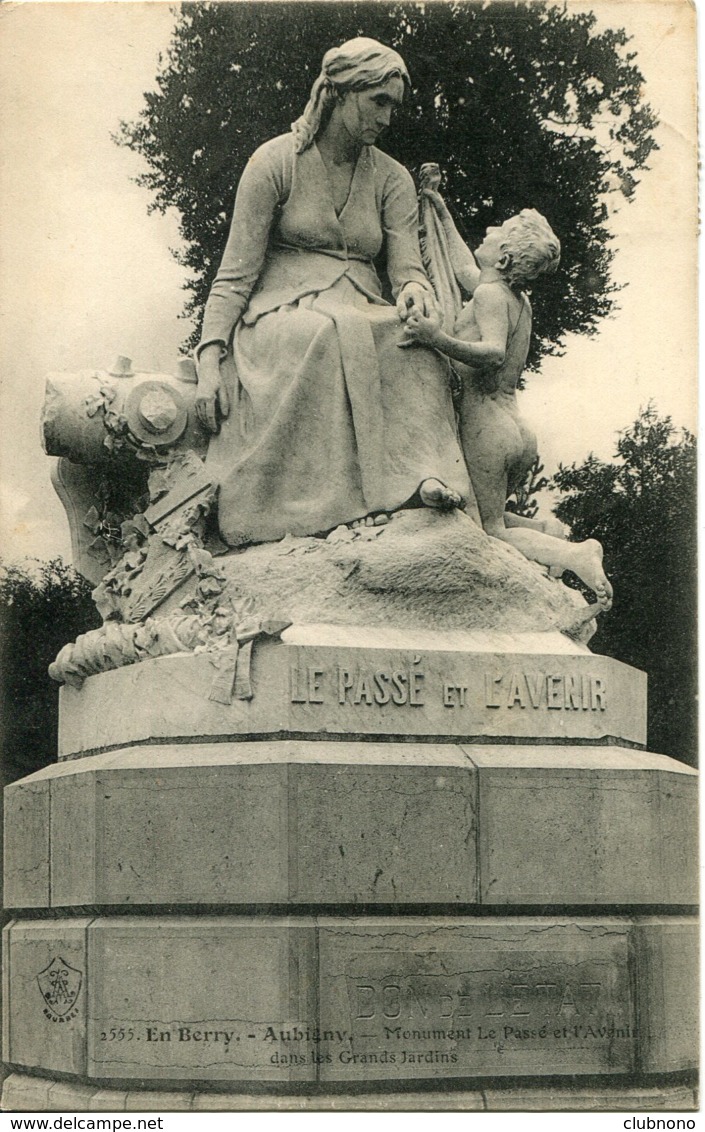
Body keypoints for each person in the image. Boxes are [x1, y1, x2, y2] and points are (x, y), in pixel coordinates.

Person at [195, 38, 474, 548]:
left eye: (395, 106)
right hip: (281, 314)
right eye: (378, 102)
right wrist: (210, 359)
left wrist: (414, 290)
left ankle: (418, 480)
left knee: (414, 343)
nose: (388, 118)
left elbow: (407, 266)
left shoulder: (392, 178)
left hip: (363, 305)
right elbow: (234, 273)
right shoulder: (276, 161)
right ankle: (315, 512)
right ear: (340, 93)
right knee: (324, 335)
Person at [402, 199, 613, 608]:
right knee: (482, 514)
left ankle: (575, 554)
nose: (491, 228)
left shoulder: (488, 296)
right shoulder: (510, 297)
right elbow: (467, 269)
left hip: (487, 428)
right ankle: (545, 530)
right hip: (515, 428)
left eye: (500, 228)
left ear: (503, 256)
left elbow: (493, 353)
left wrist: (435, 338)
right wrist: (440, 208)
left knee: (490, 529)